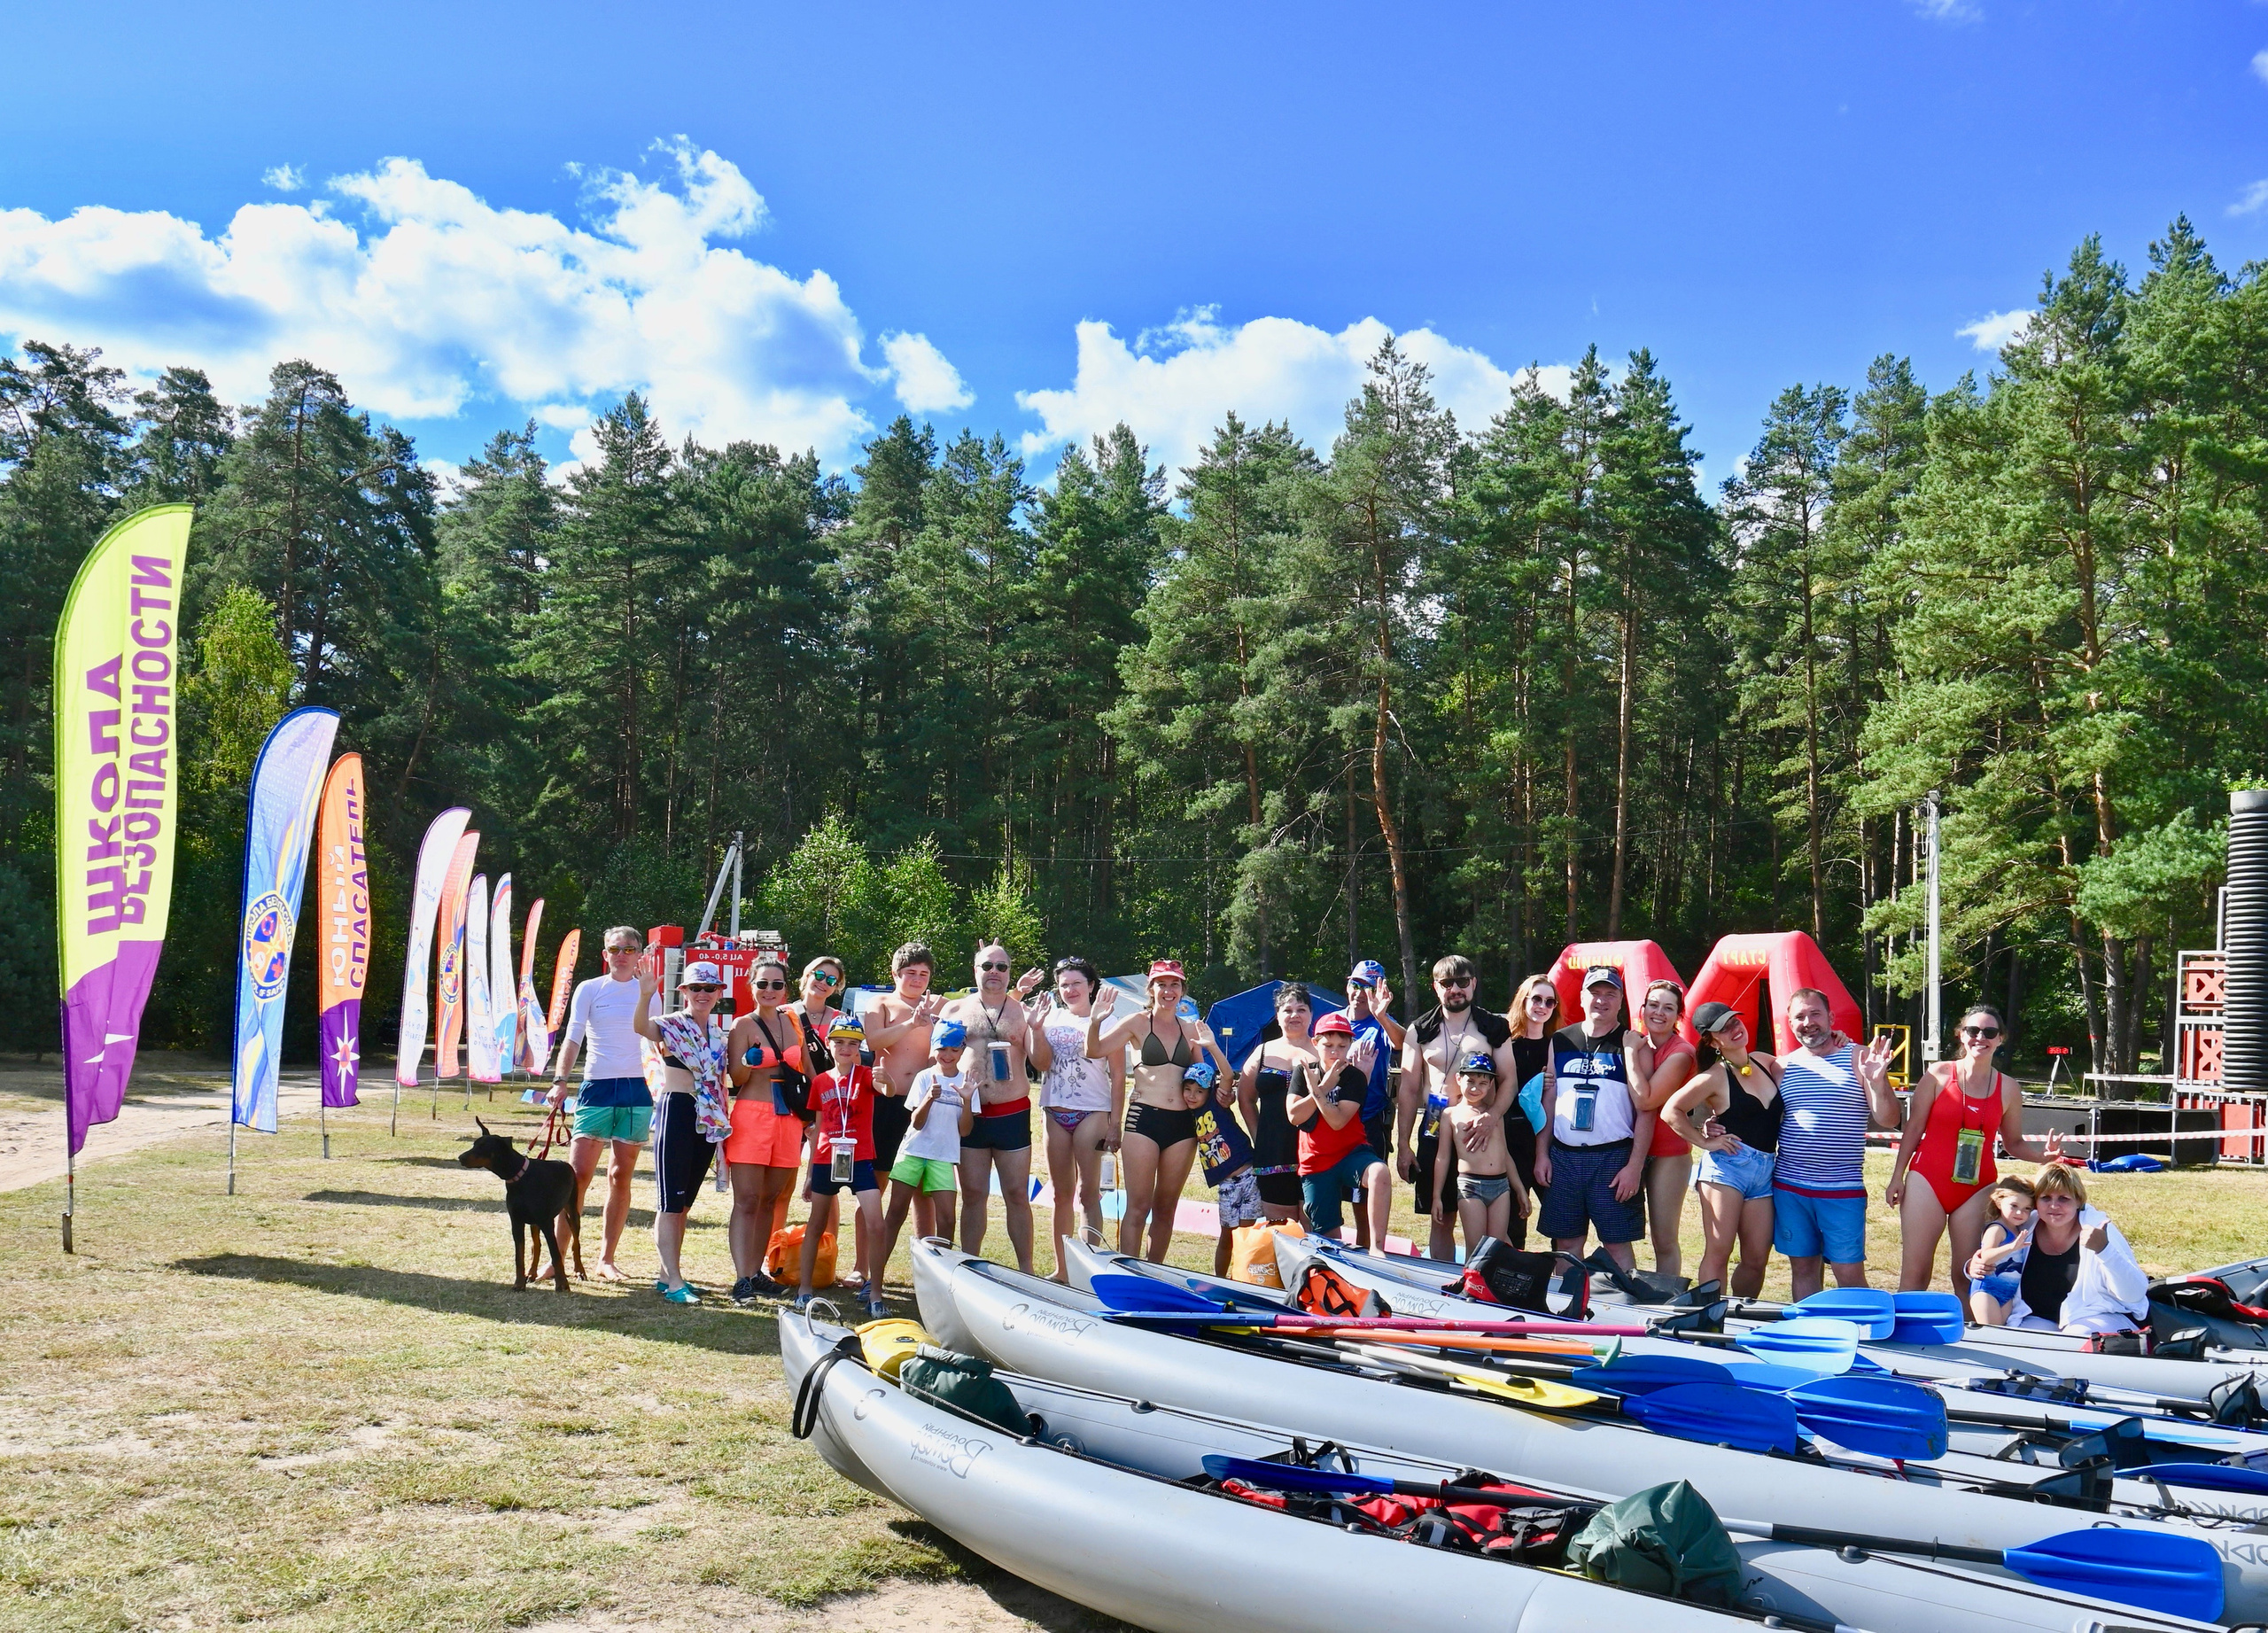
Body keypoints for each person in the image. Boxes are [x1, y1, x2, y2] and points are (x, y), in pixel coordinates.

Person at [1886, 1005, 2062, 1299]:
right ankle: (1904, 1334)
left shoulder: (2009, 1089)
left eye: (1990, 1032)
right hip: (1926, 1181)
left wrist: (2044, 1156)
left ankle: (1971, 1337)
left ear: (2000, 1039)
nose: (1980, 1037)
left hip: (1976, 1189)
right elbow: (1914, 1128)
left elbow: (2013, 1143)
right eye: (1973, 1030)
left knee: (1968, 1273)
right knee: (1916, 1272)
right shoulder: (1938, 1074)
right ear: (1961, 1035)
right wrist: (1897, 1177)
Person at [1086, 960, 1233, 1262]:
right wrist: (1095, 1021)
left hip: (1182, 1125)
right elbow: (1094, 1050)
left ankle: (1155, 1271)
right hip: (1144, 1120)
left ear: (1182, 990)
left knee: (1166, 1207)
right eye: (1161, 984)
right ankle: (1128, 1270)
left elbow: (1202, 1075)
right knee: (1138, 1206)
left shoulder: (1191, 1028)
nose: (1168, 990)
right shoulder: (1136, 1023)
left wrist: (1222, 1090)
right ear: (1151, 989)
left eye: (1174, 984)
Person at [1774, 987, 1900, 1301]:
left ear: (1830, 1017)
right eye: (1800, 1016)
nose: (1808, 1022)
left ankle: (1865, 1335)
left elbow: (1888, 1119)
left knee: (1849, 1274)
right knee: (1802, 1270)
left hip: (1841, 1190)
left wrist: (1877, 1082)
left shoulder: (1860, 1057)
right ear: (1790, 1024)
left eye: (1815, 1013)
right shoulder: (1782, 1067)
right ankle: (1808, 1336)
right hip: (1790, 1188)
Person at [1396, 954, 1519, 1259]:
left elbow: (1509, 1081)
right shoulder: (1420, 1029)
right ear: (1435, 987)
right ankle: (1445, 1290)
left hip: (1480, 1131)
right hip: (1436, 1127)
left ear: (1473, 984)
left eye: (1462, 982)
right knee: (1441, 1218)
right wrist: (1402, 1144)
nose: (1455, 989)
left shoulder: (1493, 1027)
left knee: (1493, 1226)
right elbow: (1409, 1089)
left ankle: (1491, 1284)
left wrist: (1491, 1117)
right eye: (1447, 983)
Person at [546, 927, 652, 1282]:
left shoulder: (651, 989)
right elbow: (573, 1037)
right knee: (577, 1178)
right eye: (614, 949)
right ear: (605, 954)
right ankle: (557, 1257)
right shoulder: (590, 988)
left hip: (639, 1090)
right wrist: (560, 1081)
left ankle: (606, 1259)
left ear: (640, 953)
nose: (621, 954)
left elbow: (664, 1040)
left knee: (621, 1176)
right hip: (597, 1088)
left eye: (629, 948)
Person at [1534, 967, 1653, 1271]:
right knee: (1567, 1242)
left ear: (1621, 1000)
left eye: (1610, 994)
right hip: (1564, 1156)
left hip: (1612, 1157)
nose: (1601, 1000)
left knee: (1615, 1243)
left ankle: (1621, 1310)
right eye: (1595, 993)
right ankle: (1565, 1311)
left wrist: (1634, 1167)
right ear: (1582, 997)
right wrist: (1541, 1154)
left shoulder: (1632, 1042)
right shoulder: (1560, 1040)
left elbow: (1646, 1110)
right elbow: (1548, 1099)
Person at [631, 955, 734, 1305]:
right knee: (669, 1202)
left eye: (709, 988)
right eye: (695, 988)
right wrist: (645, 994)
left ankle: (667, 1275)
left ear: (719, 992)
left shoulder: (719, 1034)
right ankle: (674, 1281)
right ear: (684, 991)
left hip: (707, 1117)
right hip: (677, 1109)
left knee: (684, 1203)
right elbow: (641, 1028)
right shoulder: (671, 1024)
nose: (702, 994)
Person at [1665, 1002, 1783, 1297]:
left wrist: (1837, 1040)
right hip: (1727, 1168)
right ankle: (1710, 1318)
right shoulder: (1714, 1076)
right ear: (1712, 1041)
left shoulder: (1764, 1061)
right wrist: (1704, 1140)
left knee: (1757, 1258)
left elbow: (1805, 1063)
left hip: (1766, 1169)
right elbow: (1671, 1110)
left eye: (1735, 1021)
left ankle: (1741, 1314)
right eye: (1724, 1029)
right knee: (1719, 1251)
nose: (1734, 1029)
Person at [941, 943, 1043, 1273]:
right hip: (970, 1113)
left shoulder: (1023, 1014)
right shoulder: (955, 1012)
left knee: (1016, 1194)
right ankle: (969, 1266)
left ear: (1010, 972)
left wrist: (1038, 1031)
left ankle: (1026, 1269)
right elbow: (937, 1060)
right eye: (987, 966)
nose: (994, 973)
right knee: (973, 1194)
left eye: (1001, 967)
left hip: (1012, 1112)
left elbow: (1042, 1062)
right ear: (975, 970)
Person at [721, 957, 812, 1306]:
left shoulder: (793, 1022)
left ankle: (756, 1272)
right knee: (746, 1200)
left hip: (788, 1118)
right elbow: (737, 1079)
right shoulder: (742, 1025)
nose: (770, 990)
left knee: (771, 1200)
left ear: (786, 988)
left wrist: (816, 1116)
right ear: (752, 987)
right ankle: (742, 1278)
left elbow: (806, 1067)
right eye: (762, 984)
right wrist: (748, 1062)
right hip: (752, 1114)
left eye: (776, 984)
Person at [1027, 956, 1121, 1277]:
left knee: (1088, 1192)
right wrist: (1037, 1030)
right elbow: (1040, 1064)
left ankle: (1090, 1269)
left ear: (1091, 985)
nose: (1070, 990)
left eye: (1076, 983)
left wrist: (1116, 1122)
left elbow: (1119, 1076)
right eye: (1064, 984)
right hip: (1054, 1111)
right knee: (1061, 1193)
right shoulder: (1050, 1018)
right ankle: (1063, 1269)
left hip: (1093, 1111)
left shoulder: (1107, 1020)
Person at [1986, 1163, 2149, 1334]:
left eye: (2063, 1198)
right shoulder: (2025, 1224)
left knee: (2077, 1337)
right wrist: (1973, 1265)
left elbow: (2135, 1294)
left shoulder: (2098, 1228)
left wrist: (2104, 1250)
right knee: (2018, 1339)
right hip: (2041, 1317)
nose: (2054, 1206)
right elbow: (1993, 1256)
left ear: (2078, 1200)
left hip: (2102, 1315)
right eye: (2046, 1198)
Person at [796, 1014, 888, 1317]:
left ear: (860, 1047)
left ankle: (875, 1292)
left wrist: (885, 1079)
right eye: (839, 1043)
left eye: (852, 1043)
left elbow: (885, 1088)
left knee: (876, 1223)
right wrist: (809, 1174)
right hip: (826, 1158)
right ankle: (804, 1290)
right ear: (829, 1044)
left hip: (860, 1158)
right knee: (816, 1225)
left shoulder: (864, 1075)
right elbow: (818, 1124)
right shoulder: (821, 1081)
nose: (846, 1049)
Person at [877, 1021, 975, 1279]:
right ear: (934, 1049)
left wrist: (966, 1101)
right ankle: (874, 1276)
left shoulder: (967, 1082)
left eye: (954, 1049)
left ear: (962, 1050)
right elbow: (917, 1123)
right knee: (895, 1213)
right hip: (913, 1152)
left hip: (944, 1157)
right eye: (942, 1048)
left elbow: (965, 1131)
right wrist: (929, 1098)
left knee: (947, 1220)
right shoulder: (925, 1077)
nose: (947, 1055)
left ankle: (940, 1278)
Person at [1289, 1009, 1392, 1249]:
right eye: (1328, 1045)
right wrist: (1322, 1087)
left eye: (1341, 1046)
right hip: (1315, 1161)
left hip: (1352, 1153)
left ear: (1349, 1046)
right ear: (1315, 1043)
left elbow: (1338, 1121)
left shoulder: (1354, 1076)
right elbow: (1294, 1116)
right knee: (1329, 1240)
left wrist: (1317, 1092)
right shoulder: (1303, 1072)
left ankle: (1377, 1249)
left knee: (1379, 1173)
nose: (1335, 1052)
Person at [864, 942, 946, 1239]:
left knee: (923, 1188)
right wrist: (912, 1023)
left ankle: (926, 1256)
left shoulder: (939, 1006)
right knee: (875, 1185)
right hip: (888, 1101)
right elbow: (872, 1041)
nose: (917, 979)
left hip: (925, 1104)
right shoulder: (882, 1004)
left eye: (924, 974)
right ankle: (864, 1265)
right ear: (895, 974)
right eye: (911, 972)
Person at [1238, 984, 1321, 1225]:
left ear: (1311, 1014)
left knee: (1311, 1227)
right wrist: (1258, 1135)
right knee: (1280, 1230)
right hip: (1272, 1152)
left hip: (1314, 1151)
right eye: (1288, 1010)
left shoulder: (1323, 1051)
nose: (1294, 1015)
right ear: (1277, 1016)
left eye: (1301, 1009)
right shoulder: (1262, 1052)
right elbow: (1245, 1098)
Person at [1633, 980, 1699, 1279]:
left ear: (1678, 1016)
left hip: (1668, 1154)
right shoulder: (1638, 1043)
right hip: (1631, 1149)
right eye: (1654, 1005)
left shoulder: (1681, 1052)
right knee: (1620, 1232)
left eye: (1668, 1008)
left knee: (1664, 1238)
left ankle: (1668, 1300)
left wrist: (1628, 1053)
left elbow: (1647, 1100)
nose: (1659, 1012)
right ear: (1642, 1009)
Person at [1342, 960, 1404, 1248]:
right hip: (1332, 1119)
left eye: (1367, 987)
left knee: (1364, 1197)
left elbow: (1405, 1043)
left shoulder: (1380, 1026)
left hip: (1368, 1121)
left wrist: (1383, 1016)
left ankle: (1367, 1252)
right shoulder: (1334, 1021)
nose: (1359, 993)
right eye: (1355, 985)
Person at [1441, 1050, 1528, 1250]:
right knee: (1476, 1248)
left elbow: (1505, 1154)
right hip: (1470, 1185)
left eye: (1482, 1083)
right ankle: (1471, 1282)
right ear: (1459, 1079)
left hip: (1500, 1186)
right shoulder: (1451, 1115)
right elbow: (1443, 1157)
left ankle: (1492, 1282)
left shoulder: (1494, 1117)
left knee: (1496, 1248)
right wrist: (1437, 1196)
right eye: (1470, 1081)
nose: (1475, 1088)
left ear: (1490, 1085)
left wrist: (1519, 1188)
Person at [1184, 1059, 1261, 1276]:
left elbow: (1228, 1076)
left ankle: (1242, 1278)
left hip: (1248, 1175)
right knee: (1226, 1235)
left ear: (1209, 1092)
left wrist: (1212, 1045)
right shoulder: (1186, 1112)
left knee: (1245, 1236)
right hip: (1226, 1183)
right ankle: (1221, 1279)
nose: (1192, 1095)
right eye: (1188, 1089)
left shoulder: (1216, 1103)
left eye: (1199, 1091)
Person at [1965, 1176, 2037, 1326]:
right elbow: (1985, 1256)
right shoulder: (1997, 1229)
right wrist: (2011, 1247)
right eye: (2014, 1206)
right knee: (1991, 1333)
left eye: (2027, 1209)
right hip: (1986, 1290)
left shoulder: (2018, 1230)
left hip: (2008, 1293)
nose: (2019, 1213)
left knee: (2003, 1333)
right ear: (1998, 1202)